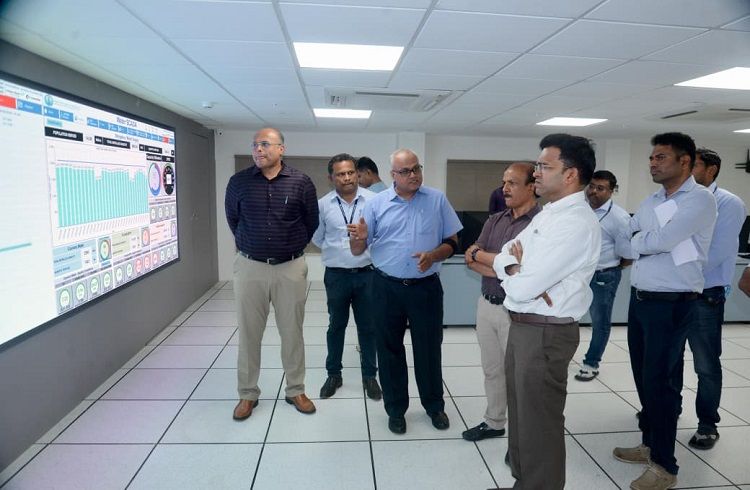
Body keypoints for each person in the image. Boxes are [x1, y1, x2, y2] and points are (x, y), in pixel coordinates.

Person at [472, 134, 601, 490]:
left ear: (570, 174)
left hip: (545, 332)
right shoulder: (551, 214)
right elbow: (506, 255)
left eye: (545, 166)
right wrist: (514, 266)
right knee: (521, 417)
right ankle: (523, 482)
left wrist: (514, 270)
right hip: (524, 325)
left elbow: (521, 286)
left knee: (539, 422)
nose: (537, 173)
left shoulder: (574, 222)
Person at [613, 133, 716, 490]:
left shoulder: (699, 200)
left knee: (662, 384)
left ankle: (664, 466)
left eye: (661, 157)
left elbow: (662, 240)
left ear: (684, 161)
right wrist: (647, 240)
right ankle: (650, 443)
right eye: (651, 157)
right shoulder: (652, 200)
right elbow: (626, 240)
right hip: (641, 299)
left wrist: (646, 240)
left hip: (672, 304)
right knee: (644, 378)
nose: (652, 163)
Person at [349, 149, 462, 435]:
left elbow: (453, 241)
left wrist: (434, 255)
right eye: (406, 171)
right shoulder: (376, 204)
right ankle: (396, 409)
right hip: (385, 287)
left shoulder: (436, 199)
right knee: (389, 350)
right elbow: (358, 249)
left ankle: (434, 406)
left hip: (425, 288)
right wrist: (359, 239)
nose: (413, 175)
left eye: (416, 168)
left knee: (429, 349)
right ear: (393, 175)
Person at [225, 127, 319, 420]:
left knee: (292, 332)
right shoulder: (239, 182)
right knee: (249, 334)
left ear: (281, 149)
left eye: (265, 144)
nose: (258, 149)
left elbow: (311, 222)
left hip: (290, 268)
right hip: (250, 267)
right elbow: (233, 220)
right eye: (255, 145)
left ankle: (295, 389)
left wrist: (289, 244)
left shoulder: (301, 182)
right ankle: (247, 394)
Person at [462, 162, 540, 442]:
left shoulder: (541, 224)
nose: (504, 189)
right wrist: (506, 267)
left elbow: (530, 273)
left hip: (517, 312)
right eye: (503, 182)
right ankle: (494, 422)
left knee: (520, 376)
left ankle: (521, 438)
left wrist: (486, 259)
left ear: (532, 186)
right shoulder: (495, 220)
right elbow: (470, 257)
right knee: (492, 370)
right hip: (487, 305)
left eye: (512, 183)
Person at [683, 148, 746, 449]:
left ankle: (707, 424)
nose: (687, 171)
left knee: (706, 364)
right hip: (672, 292)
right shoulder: (680, 198)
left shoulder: (728, 203)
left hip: (704, 295)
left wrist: (675, 267)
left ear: (711, 170)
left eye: (693, 165)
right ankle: (663, 412)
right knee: (666, 359)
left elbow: (716, 252)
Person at [311, 153, 382, 401]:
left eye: (351, 172)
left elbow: (382, 235)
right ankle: (334, 374)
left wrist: (365, 240)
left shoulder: (374, 201)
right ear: (331, 178)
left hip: (367, 275)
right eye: (341, 174)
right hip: (336, 276)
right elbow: (317, 238)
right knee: (336, 326)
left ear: (357, 174)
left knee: (368, 327)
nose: (347, 178)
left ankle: (370, 376)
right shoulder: (323, 205)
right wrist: (338, 251)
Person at [575, 170, 634, 381]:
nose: (593, 191)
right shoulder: (580, 209)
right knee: (568, 315)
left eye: (600, 188)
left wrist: (612, 268)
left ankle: (591, 363)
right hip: (578, 274)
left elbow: (628, 255)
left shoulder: (620, 218)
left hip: (603, 276)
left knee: (600, 322)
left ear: (612, 191)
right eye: (591, 186)